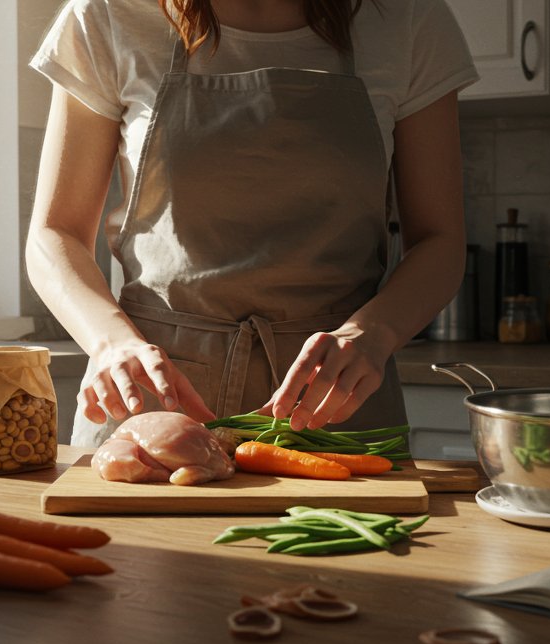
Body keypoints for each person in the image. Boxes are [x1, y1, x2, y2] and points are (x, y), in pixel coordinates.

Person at [27, 0, 477, 447]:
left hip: (334, 404)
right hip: (153, 401)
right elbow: (55, 232)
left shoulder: (408, 20)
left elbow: (439, 240)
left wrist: (371, 335)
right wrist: (110, 343)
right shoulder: (109, 15)